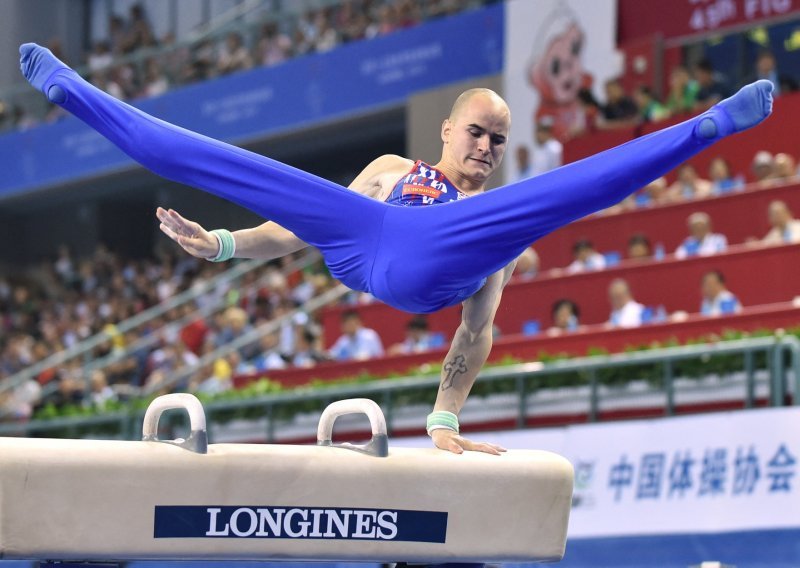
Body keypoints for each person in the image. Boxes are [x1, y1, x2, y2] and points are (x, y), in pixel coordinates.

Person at [18, 43, 773, 454]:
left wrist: (443, 420)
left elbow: (477, 332)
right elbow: (295, 230)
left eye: (498, 141)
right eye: (475, 132)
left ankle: (702, 128)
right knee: (230, 166)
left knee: (567, 193)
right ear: (445, 131)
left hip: (434, 257)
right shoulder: (387, 170)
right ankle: (75, 91)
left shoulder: (491, 225)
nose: (485, 146)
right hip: (359, 233)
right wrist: (218, 244)